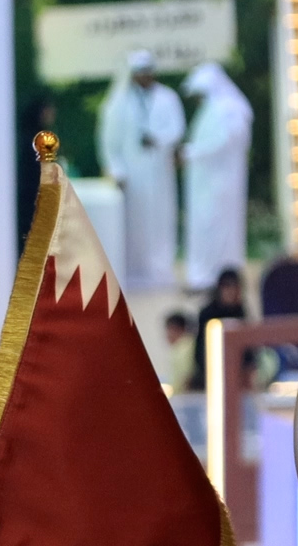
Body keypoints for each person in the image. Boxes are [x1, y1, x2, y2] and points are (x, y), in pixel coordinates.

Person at [98, 49, 185, 289]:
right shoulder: (119, 103)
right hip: (132, 175)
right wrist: (116, 170)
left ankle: (160, 270)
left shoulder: (168, 98)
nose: (145, 76)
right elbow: (109, 141)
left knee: (161, 220)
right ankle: (134, 271)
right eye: (140, 72)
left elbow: (177, 128)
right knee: (134, 223)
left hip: (160, 173)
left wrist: (157, 139)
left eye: (148, 71)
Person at [180, 62, 253, 291]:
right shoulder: (214, 109)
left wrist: (191, 153)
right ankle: (205, 277)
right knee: (206, 228)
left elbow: (222, 143)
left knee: (218, 229)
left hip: (221, 184)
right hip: (207, 185)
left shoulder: (229, 110)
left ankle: (218, 278)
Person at [190, 267, 247, 392]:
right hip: (211, 371)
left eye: (235, 288)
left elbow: (247, 348)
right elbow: (200, 349)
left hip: (238, 374)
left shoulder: (241, 312)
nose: (231, 292)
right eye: (227, 287)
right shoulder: (207, 314)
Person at [162, 311, 195, 389]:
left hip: (186, 394)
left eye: (168, 330)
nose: (167, 335)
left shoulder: (182, 348)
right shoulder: (190, 343)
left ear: (175, 329)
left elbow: (186, 377)